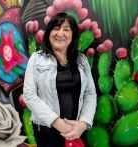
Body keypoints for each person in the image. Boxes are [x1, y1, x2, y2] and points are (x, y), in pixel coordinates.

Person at [23, 12, 97, 147]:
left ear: (73, 35)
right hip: (47, 130)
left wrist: (83, 123)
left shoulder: (82, 60)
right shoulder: (36, 58)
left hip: (76, 130)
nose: (60, 33)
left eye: (66, 29)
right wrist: (57, 122)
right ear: (49, 32)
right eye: (56, 28)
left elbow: (90, 94)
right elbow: (29, 95)